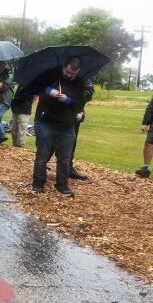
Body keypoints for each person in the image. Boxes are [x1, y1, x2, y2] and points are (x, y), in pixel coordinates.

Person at [30, 56, 87, 197]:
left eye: (73, 74)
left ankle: (62, 185)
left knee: (65, 158)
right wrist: (49, 90)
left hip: (66, 125)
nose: (69, 75)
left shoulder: (80, 83)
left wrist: (67, 100)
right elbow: (35, 86)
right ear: (63, 67)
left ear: (78, 71)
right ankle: (38, 183)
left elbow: (80, 104)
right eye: (67, 72)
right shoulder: (50, 74)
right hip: (46, 122)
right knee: (42, 156)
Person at [68, 79, 95, 180]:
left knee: (71, 142)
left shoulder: (84, 76)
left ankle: (68, 168)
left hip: (74, 112)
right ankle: (41, 168)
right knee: (51, 142)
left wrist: (76, 101)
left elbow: (89, 92)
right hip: (57, 112)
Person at [9, 81, 35, 148]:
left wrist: (14, 100)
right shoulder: (20, 85)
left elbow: (27, 97)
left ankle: (20, 146)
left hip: (24, 110)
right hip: (16, 109)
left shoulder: (31, 85)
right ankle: (15, 145)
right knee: (13, 129)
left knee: (21, 129)